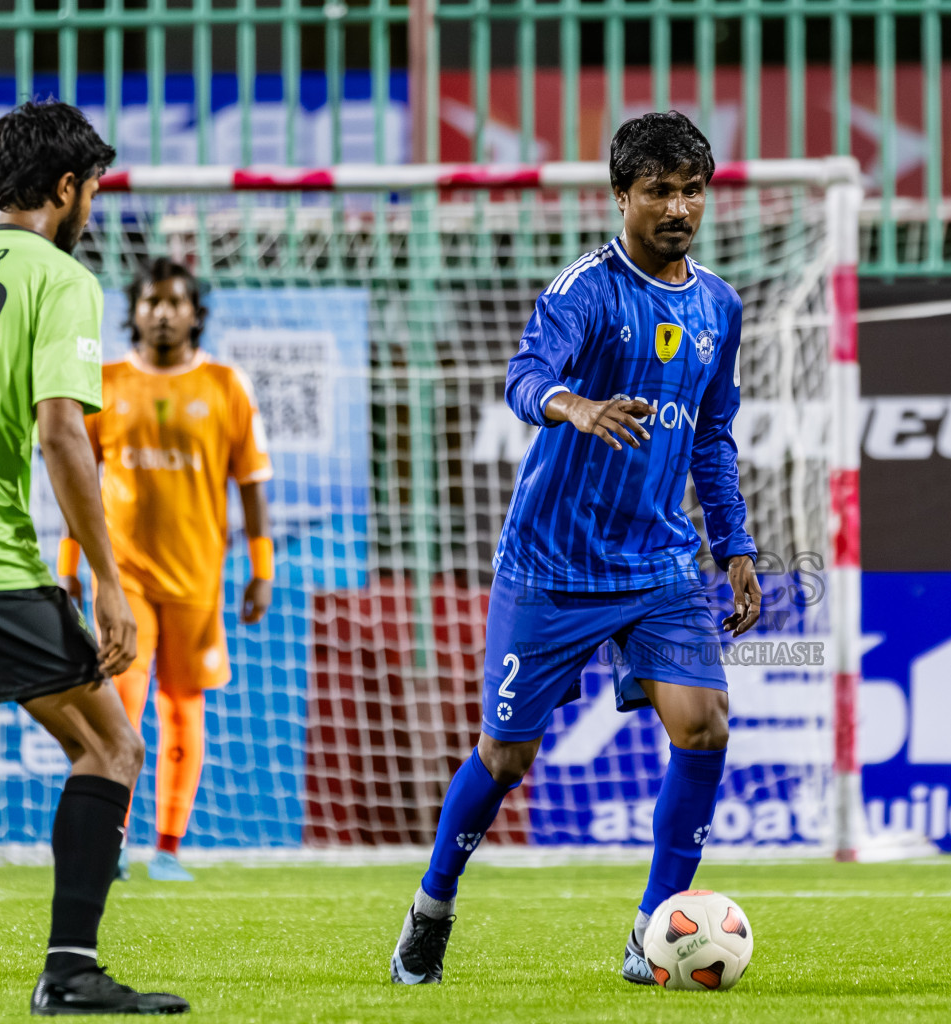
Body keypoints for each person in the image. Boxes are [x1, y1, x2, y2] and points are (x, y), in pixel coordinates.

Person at [388, 110, 762, 986]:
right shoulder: (582, 292)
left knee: (703, 728)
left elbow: (712, 438)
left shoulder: (719, 305)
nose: (679, 206)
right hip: (553, 563)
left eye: (692, 189)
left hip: (659, 562)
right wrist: (576, 406)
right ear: (621, 196)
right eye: (660, 190)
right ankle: (433, 906)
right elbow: (523, 377)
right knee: (507, 756)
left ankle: (649, 936)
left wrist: (735, 546)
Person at [0, 99, 188, 1015]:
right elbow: (62, 436)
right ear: (67, 188)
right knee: (111, 743)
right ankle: (69, 971)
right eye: (93, 188)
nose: (94, 205)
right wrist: (106, 580)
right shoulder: (59, 278)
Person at [60, 258, 273, 882]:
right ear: (135, 310)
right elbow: (80, 488)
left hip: (198, 580)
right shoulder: (105, 382)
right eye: (151, 301)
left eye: (174, 301)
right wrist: (71, 566)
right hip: (122, 580)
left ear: (193, 312)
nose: (161, 312)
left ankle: (169, 848)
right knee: (121, 705)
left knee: (183, 706)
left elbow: (253, 483)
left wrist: (262, 569)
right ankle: (114, 841)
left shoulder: (226, 386)